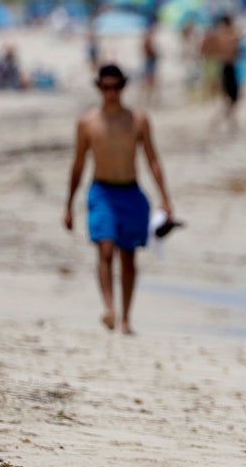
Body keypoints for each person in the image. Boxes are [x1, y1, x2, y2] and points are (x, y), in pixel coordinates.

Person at [64, 64, 174, 334]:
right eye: (106, 88)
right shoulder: (87, 122)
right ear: (99, 89)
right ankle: (110, 309)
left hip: (131, 192)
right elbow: (78, 165)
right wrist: (68, 205)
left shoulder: (138, 120)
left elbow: (152, 159)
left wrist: (165, 198)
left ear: (123, 87)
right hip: (102, 191)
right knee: (104, 249)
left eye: (117, 87)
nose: (111, 93)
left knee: (128, 257)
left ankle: (126, 318)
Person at [202, 15, 242, 130]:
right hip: (229, 68)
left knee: (229, 97)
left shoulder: (219, 36)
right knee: (233, 97)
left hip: (224, 67)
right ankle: (222, 120)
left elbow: (206, 50)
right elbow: (236, 53)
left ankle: (224, 120)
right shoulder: (231, 36)